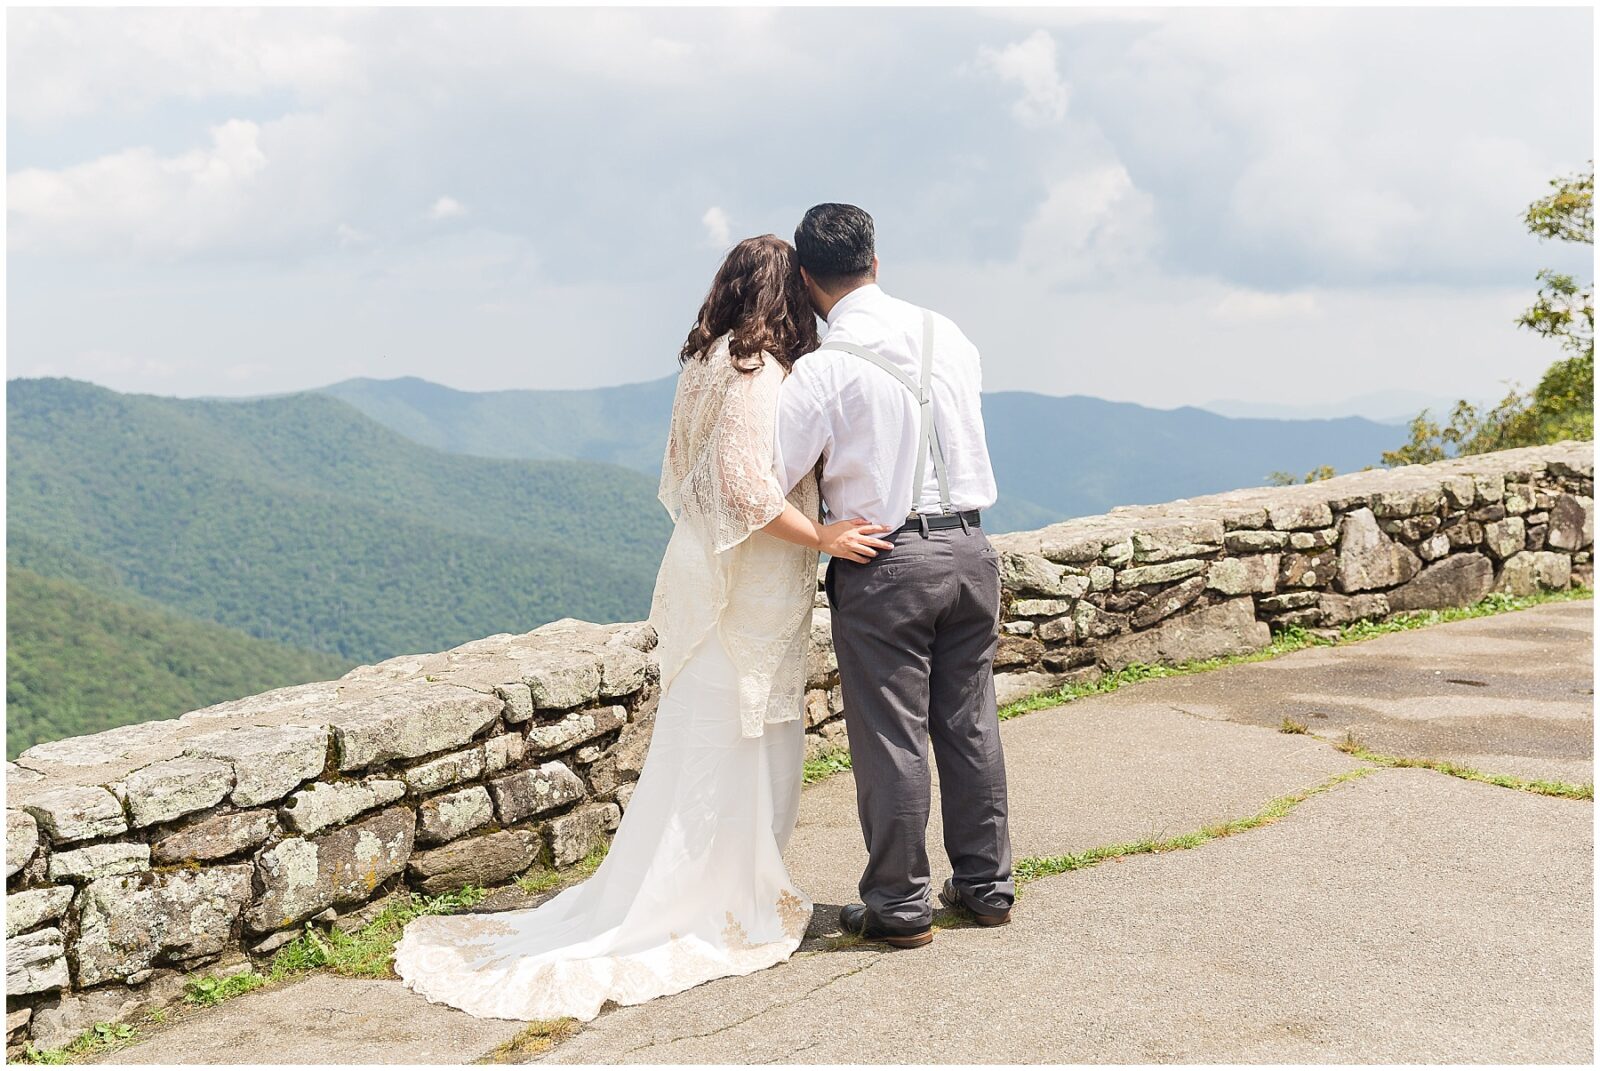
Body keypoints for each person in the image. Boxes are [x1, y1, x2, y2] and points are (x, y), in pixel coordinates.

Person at [392, 235, 891, 1021]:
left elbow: (691, 475)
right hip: (749, 578)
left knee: (707, 726)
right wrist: (826, 536)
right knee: (746, 729)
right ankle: (726, 893)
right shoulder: (757, 369)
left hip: (703, 567)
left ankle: (704, 877)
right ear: (787, 292)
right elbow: (742, 486)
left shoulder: (707, 358)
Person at [774, 203, 1015, 949]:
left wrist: (822, 529)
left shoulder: (823, 371)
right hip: (972, 550)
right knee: (970, 724)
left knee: (892, 738)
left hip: (885, 561)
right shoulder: (953, 337)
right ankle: (986, 887)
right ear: (876, 262)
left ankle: (901, 906)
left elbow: (769, 476)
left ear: (808, 279)